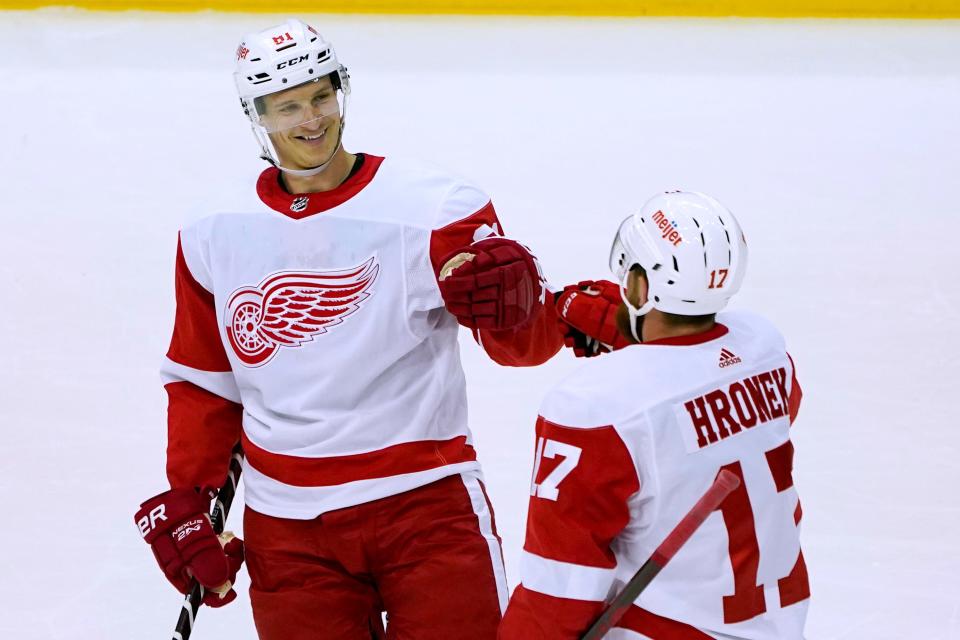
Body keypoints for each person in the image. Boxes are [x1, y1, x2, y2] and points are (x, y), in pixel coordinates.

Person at [130, 17, 593, 639]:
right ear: (256, 116)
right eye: (287, 106)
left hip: (425, 506)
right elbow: (204, 379)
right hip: (288, 527)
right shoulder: (214, 226)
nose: (311, 120)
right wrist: (192, 497)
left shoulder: (436, 208)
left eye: (321, 96)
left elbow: (522, 349)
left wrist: (519, 305)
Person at [498, 191, 810, 639]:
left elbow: (559, 590)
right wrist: (635, 346)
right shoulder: (765, 348)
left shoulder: (594, 406)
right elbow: (734, 413)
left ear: (641, 287)